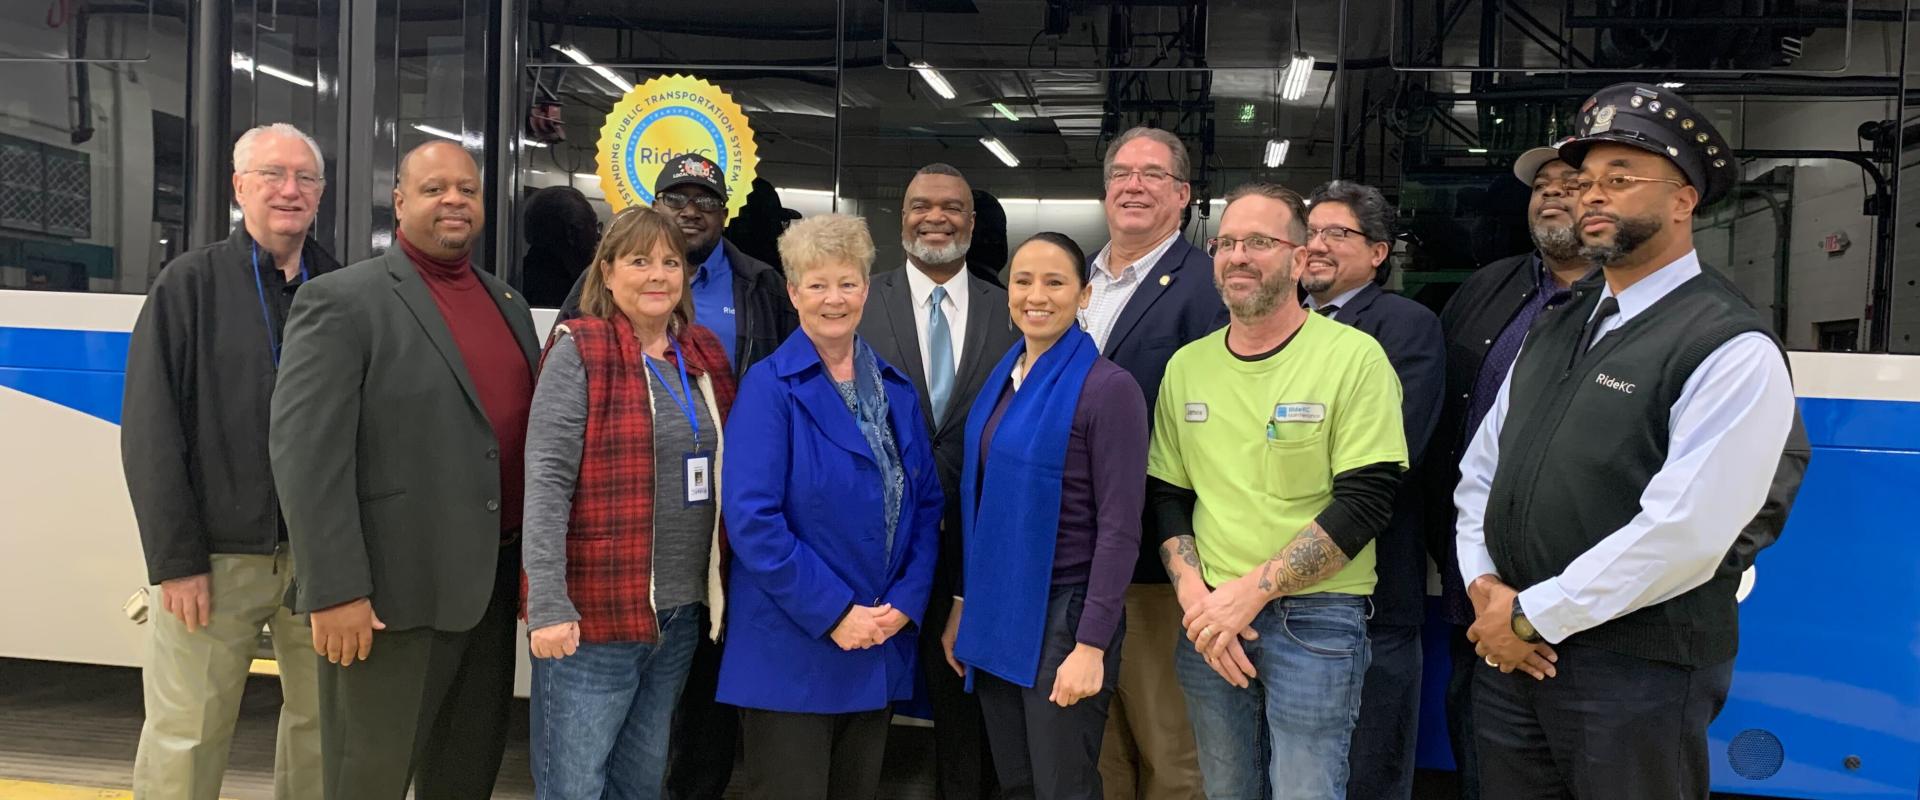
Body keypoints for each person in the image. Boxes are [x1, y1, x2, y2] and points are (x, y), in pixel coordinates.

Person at [1454, 83, 1801, 799]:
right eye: (1583, 183)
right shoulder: (1560, 321)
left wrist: (1527, 615)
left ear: (1683, 201)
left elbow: (1685, 533)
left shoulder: (1726, 342)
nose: (1590, 198)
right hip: (1513, 658)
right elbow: (1482, 469)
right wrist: (1486, 588)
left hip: (1635, 673)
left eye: (1619, 179)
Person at [270, 139, 539, 800]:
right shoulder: (343, 302)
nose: (454, 200)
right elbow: (307, 455)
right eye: (434, 188)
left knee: (465, 777)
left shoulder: (507, 303)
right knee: (368, 778)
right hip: (388, 599)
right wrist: (334, 590)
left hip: (487, 592)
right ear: (399, 202)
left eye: (467, 190)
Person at [1149, 182, 1408, 800]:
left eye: (1260, 242)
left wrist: (1250, 592)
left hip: (1315, 622)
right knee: (1227, 787)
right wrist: (1198, 598)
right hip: (1209, 619)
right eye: (1227, 242)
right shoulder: (1187, 367)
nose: (1238, 255)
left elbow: (1367, 502)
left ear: (1299, 259)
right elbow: (1166, 494)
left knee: (1306, 789)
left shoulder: (1355, 358)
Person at [560, 155, 796, 800]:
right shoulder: (586, 322)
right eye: (676, 197)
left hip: (713, 549)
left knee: (685, 720)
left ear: (726, 211)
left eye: (705, 198)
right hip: (611, 569)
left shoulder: (754, 294)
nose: (691, 209)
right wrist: (548, 595)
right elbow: (551, 466)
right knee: (591, 758)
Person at [124, 122, 339, 800]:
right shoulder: (188, 285)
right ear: (239, 186)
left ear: (321, 192)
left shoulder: (344, 288)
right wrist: (175, 560)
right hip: (215, 560)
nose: (290, 189)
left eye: (305, 177)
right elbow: (152, 430)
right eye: (273, 174)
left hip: (322, 562)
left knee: (324, 732)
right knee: (187, 732)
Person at [717, 213, 943, 800]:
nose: (833, 299)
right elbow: (753, 521)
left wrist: (905, 604)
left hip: (877, 644)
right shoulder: (770, 387)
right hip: (796, 651)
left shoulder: (895, 389)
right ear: (793, 294)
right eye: (816, 285)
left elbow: (925, 507)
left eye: (847, 282)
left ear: (867, 289)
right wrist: (837, 613)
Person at [521, 205, 737, 799]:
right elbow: (545, 481)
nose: (658, 275)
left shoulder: (703, 357)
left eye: (670, 262)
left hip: (680, 613)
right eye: (640, 261)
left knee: (641, 781)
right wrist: (548, 600)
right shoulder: (581, 350)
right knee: (574, 784)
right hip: (592, 614)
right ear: (608, 271)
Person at [1421, 139, 1591, 799]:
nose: (1552, 192)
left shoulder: (1634, 302)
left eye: (1572, 181)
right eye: (1543, 183)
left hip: (1578, 577)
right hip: (1477, 566)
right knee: (1482, 745)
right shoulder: (1490, 286)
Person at [950, 232, 1147, 800]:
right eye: (1023, 280)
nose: (1036, 295)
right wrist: (964, 603)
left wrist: (1090, 646)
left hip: (1066, 616)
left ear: (1084, 295)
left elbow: (1119, 529)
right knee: (1016, 783)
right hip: (1001, 611)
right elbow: (980, 497)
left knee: (1062, 785)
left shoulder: (1109, 389)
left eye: (1055, 282)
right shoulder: (1004, 376)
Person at [857, 162, 1016, 800]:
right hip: (878, 540)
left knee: (963, 700)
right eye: (921, 205)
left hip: (976, 541)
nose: (936, 217)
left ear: (972, 225)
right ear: (902, 219)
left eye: (952, 207)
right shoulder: (861, 301)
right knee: (866, 697)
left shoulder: (1013, 313)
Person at [1086, 126, 1226, 800]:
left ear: (1183, 194)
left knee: (1168, 749)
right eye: (1121, 172)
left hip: (1155, 567)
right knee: (1098, 743)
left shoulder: (1207, 289)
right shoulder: (1078, 280)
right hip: (1073, 559)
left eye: (1152, 174)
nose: (1133, 185)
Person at [1297, 180, 1445, 800]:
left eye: (1339, 233)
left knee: (1369, 756)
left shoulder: (1405, 326)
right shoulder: (1282, 324)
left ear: (1379, 253)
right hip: (1282, 579)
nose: (1318, 246)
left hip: (1374, 583)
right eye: (1310, 233)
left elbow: (1391, 457)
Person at [521, 185, 599, 308]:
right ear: (572, 232)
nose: (598, 236)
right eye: (594, 225)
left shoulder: (523, 274)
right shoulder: (558, 284)